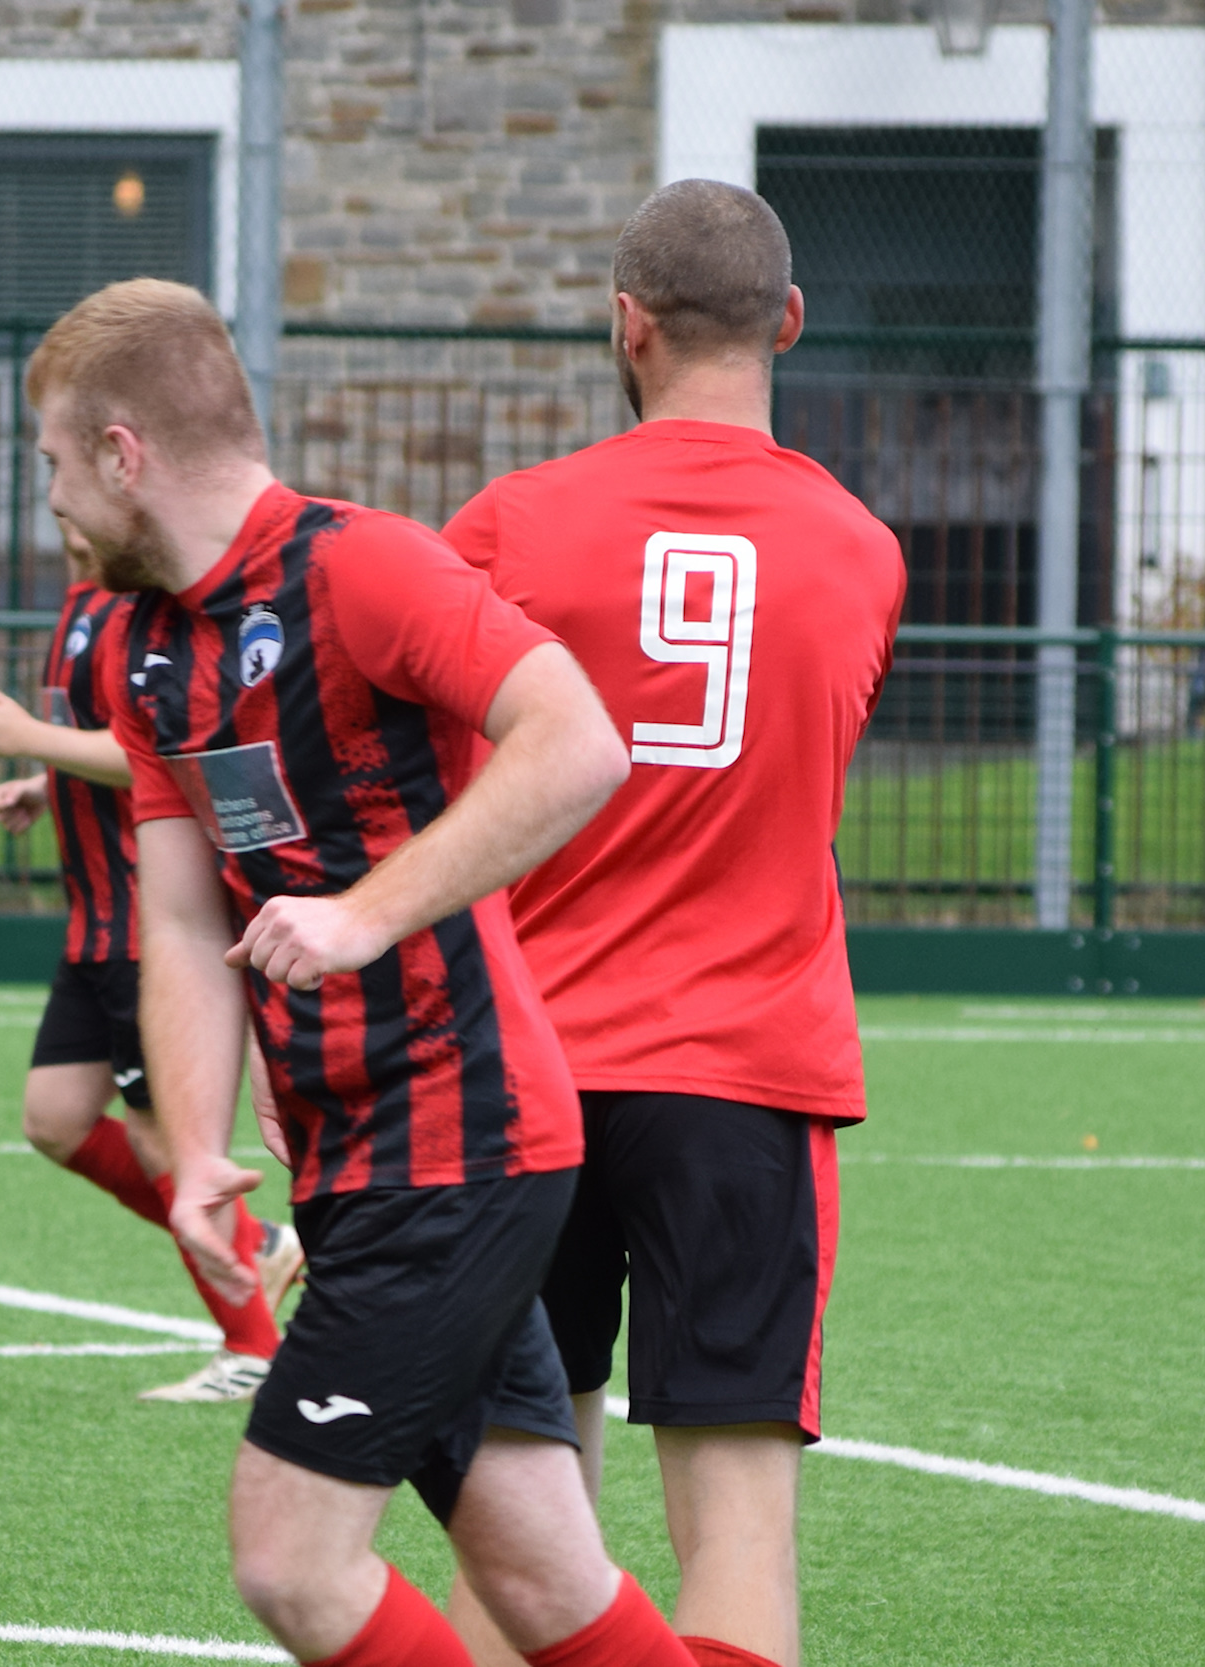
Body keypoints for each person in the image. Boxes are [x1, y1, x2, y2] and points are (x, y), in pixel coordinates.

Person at [32, 276, 693, 1667]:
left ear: (119, 452)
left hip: (462, 1144)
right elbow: (175, 923)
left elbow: (578, 741)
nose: (50, 502)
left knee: (288, 1553)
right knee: (542, 1567)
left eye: (50, 461)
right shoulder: (147, 650)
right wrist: (197, 1147)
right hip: (349, 1163)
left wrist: (365, 913)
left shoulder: (359, 567)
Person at [438, 181, 905, 1667]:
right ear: (789, 321)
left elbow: (413, 776)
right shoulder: (863, 549)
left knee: (523, 1512)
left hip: (532, 1073)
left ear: (623, 324)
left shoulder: (508, 525)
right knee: (740, 1526)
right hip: (748, 1077)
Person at [0, 519, 304, 1402]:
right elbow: (104, 745)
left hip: (140, 928)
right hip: (92, 926)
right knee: (55, 1116)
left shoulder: (135, 612)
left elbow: (141, 751)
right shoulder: (81, 599)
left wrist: (30, 740)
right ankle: (258, 1247)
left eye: (67, 468)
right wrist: (46, 782)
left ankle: (252, 1346)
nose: (58, 498)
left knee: (163, 1140)